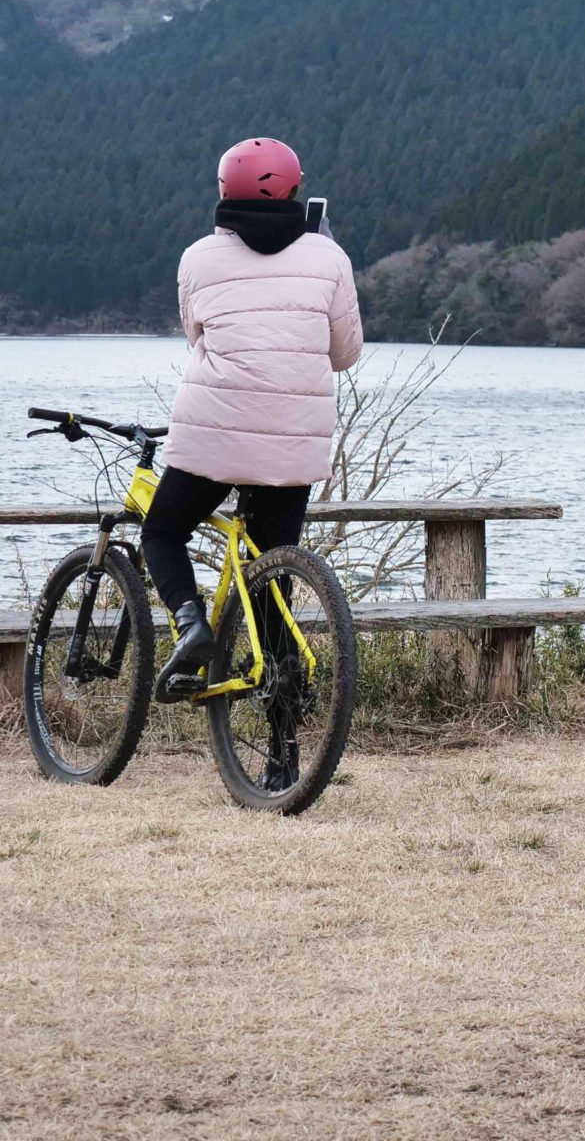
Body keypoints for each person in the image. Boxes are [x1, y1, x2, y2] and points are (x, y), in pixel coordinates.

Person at [149, 137, 364, 732]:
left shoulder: (198, 258)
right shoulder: (330, 258)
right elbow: (345, 354)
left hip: (213, 435)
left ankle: (191, 622)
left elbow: (196, 336)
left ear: (223, 193)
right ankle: (283, 756)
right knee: (273, 585)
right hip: (292, 443)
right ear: (297, 191)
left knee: (164, 530)